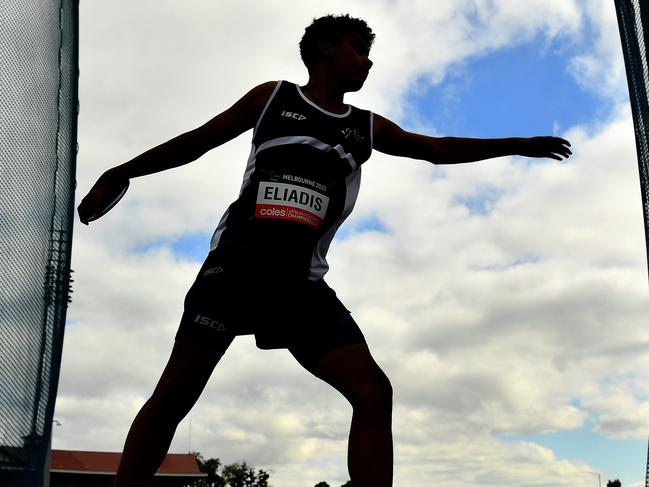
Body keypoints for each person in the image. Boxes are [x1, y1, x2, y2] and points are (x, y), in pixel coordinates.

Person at [78, 14, 572, 487]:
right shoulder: (274, 98)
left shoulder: (365, 127)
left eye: (370, 53)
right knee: (175, 395)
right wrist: (123, 170)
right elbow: (199, 141)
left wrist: (518, 143)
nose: (369, 61)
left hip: (301, 284)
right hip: (238, 266)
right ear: (324, 49)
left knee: (374, 393)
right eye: (360, 49)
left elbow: (436, 149)